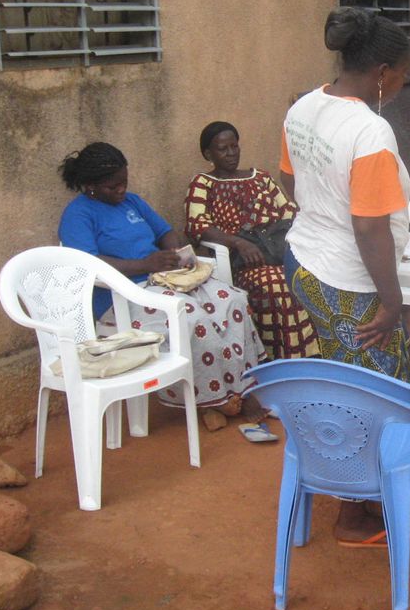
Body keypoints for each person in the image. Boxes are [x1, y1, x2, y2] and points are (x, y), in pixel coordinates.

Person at [279, 6, 410, 546]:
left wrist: (325, 212)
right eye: (403, 71)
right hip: (349, 280)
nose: (403, 81)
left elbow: (291, 185)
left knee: (355, 376)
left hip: (305, 262)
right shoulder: (370, 131)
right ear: (383, 72)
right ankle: (355, 515)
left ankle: (365, 488)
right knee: (376, 393)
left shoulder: (304, 108)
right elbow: (369, 227)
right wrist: (392, 300)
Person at [58, 142, 265, 429]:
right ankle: (210, 400)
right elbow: (86, 264)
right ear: (91, 186)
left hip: (162, 279)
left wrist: (176, 256)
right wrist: (146, 265)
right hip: (121, 297)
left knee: (230, 299)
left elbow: (165, 231)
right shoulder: (79, 214)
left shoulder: (132, 202)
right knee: (192, 316)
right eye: (112, 187)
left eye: (123, 183)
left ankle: (243, 388)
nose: (120, 191)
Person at [184, 121, 319, 361]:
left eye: (234, 146)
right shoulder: (203, 184)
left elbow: (289, 211)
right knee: (278, 286)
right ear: (208, 154)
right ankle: (283, 360)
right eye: (223, 149)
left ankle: (316, 356)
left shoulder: (261, 178)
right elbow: (197, 225)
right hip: (245, 262)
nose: (231, 153)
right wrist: (238, 243)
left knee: (311, 278)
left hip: (279, 251)